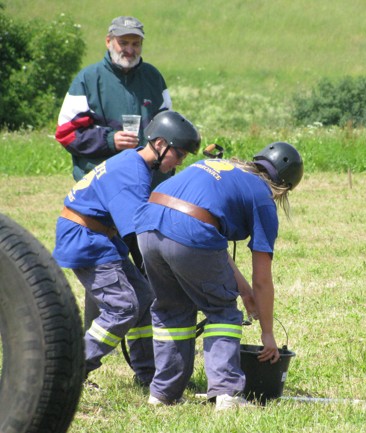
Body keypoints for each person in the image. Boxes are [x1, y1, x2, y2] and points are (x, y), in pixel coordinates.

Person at [134, 142, 304, 409]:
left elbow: (211, 242)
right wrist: (267, 334)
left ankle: (163, 393)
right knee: (222, 312)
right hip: (191, 231)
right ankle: (226, 394)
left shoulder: (224, 169)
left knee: (171, 310)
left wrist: (245, 291)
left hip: (147, 226)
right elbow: (263, 279)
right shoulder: (262, 196)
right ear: (284, 186)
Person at [52, 111, 201, 387]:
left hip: (101, 235)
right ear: (159, 144)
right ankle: (71, 370)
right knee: (123, 307)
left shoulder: (136, 164)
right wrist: (162, 269)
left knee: (144, 297)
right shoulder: (133, 172)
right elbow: (137, 234)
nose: (180, 161)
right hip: (85, 237)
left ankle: (148, 373)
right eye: (178, 154)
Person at [54, 15, 173, 329]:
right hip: (103, 197)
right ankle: (95, 353)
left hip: (148, 190)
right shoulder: (88, 78)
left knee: (151, 269)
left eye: (135, 43)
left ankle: (148, 357)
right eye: (123, 42)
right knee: (107, 272)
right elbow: (66, 133)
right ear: (108, 42)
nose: (129, 49)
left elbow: (169, 129)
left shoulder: (153, 78)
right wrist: (109, 139)